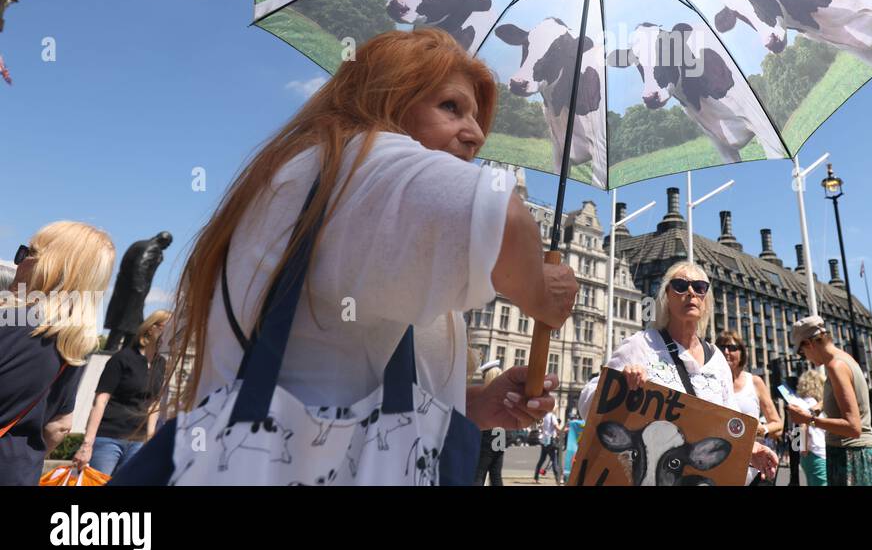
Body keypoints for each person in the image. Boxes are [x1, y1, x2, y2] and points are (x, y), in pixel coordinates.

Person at [159, 28, 578, 482]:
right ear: (384, 100)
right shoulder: (355, 159)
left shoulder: (327, 190)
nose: (476, 135)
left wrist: (473, 404)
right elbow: (507, 219)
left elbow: (341, 375)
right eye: (450, 107)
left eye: (476, 117)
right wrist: (539, 290)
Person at [577, 261, 778, 482]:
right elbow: (587, 403)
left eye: (700, 287)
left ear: (706, 299)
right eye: (681, 285)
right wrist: (621, 384)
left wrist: (752, 449)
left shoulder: (718, 359)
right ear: (666, 296)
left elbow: (728, 425)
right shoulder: (641, 345)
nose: (691, 292)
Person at [0, 222, 114, 485]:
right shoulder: (76, 344)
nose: (18, 263)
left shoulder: (9, 320)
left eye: (26, 253)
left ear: (47, 265)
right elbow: (59, 426)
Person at [785, 316, 872, 486]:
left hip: (852, 458)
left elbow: (853, 427)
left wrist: (809, 420)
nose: (805, 358)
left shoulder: (835, 366)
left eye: (802, 353)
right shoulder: (844, 360)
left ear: (809, 344)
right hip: (855, 455)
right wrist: (818, 409)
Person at [74, 310, 170, 476]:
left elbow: (154, 402)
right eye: (166, 329)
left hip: (138, 441)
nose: (170, 336)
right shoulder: (122, 358)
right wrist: (87, 444)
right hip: (109, 438)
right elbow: (100, 401)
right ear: (151, 328)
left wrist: (150, 438)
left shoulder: (160, 363)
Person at [716, 329, 781, 485]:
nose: (726, 352)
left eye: (731, 348)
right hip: (720, 462)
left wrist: (762, 429)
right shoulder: (711, 381)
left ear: (742, 352)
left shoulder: (755, 382)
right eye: (721, 348)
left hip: (753, 466)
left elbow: (778, 423)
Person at [794, 368, 827, 486]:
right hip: (816, 452)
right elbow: (804, 425)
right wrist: (804, 449)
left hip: (812, 453)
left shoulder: (801, 402)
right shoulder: (811, 403)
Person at [474, 365, 506, 487]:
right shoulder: (505, 396)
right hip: (500, 439)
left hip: (487, 439)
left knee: (479, 474)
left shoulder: (485, 395)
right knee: (496, 475)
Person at [534, 408, 563, 483]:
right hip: (550, 441)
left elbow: (541, 426)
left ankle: (536, 477)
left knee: (542, 459)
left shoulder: (543, 416)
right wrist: (563, 430)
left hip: (544, 441)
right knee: (554, 459)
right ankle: (558, 479)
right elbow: (557, 427)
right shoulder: (552, 416)